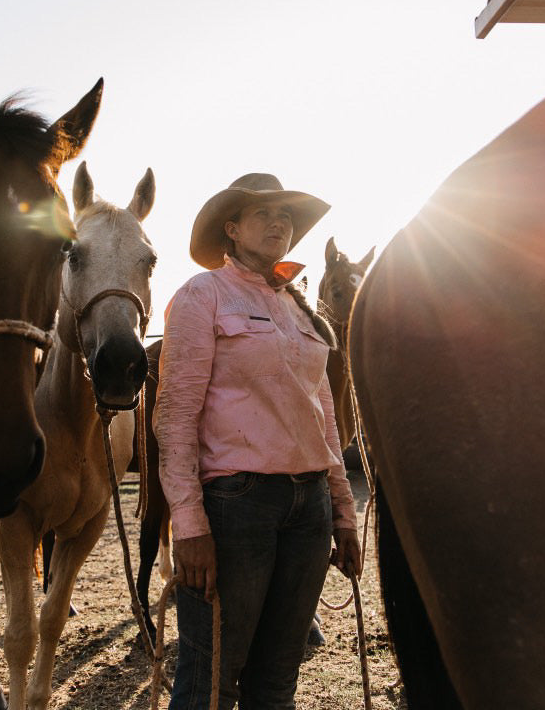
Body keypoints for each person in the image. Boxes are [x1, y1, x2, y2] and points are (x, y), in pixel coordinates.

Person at [153, 173, 361, 710]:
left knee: (277, 679)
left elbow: (325, 418)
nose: (278, 223)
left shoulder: (298, 309)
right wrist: (189, 524)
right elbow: (176, 414)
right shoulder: (202, 296)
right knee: (211, 678)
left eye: (286, 216)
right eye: (263, 214)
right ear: (231, 228)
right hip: (236, 506)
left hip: (309, 506)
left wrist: (343, 511)